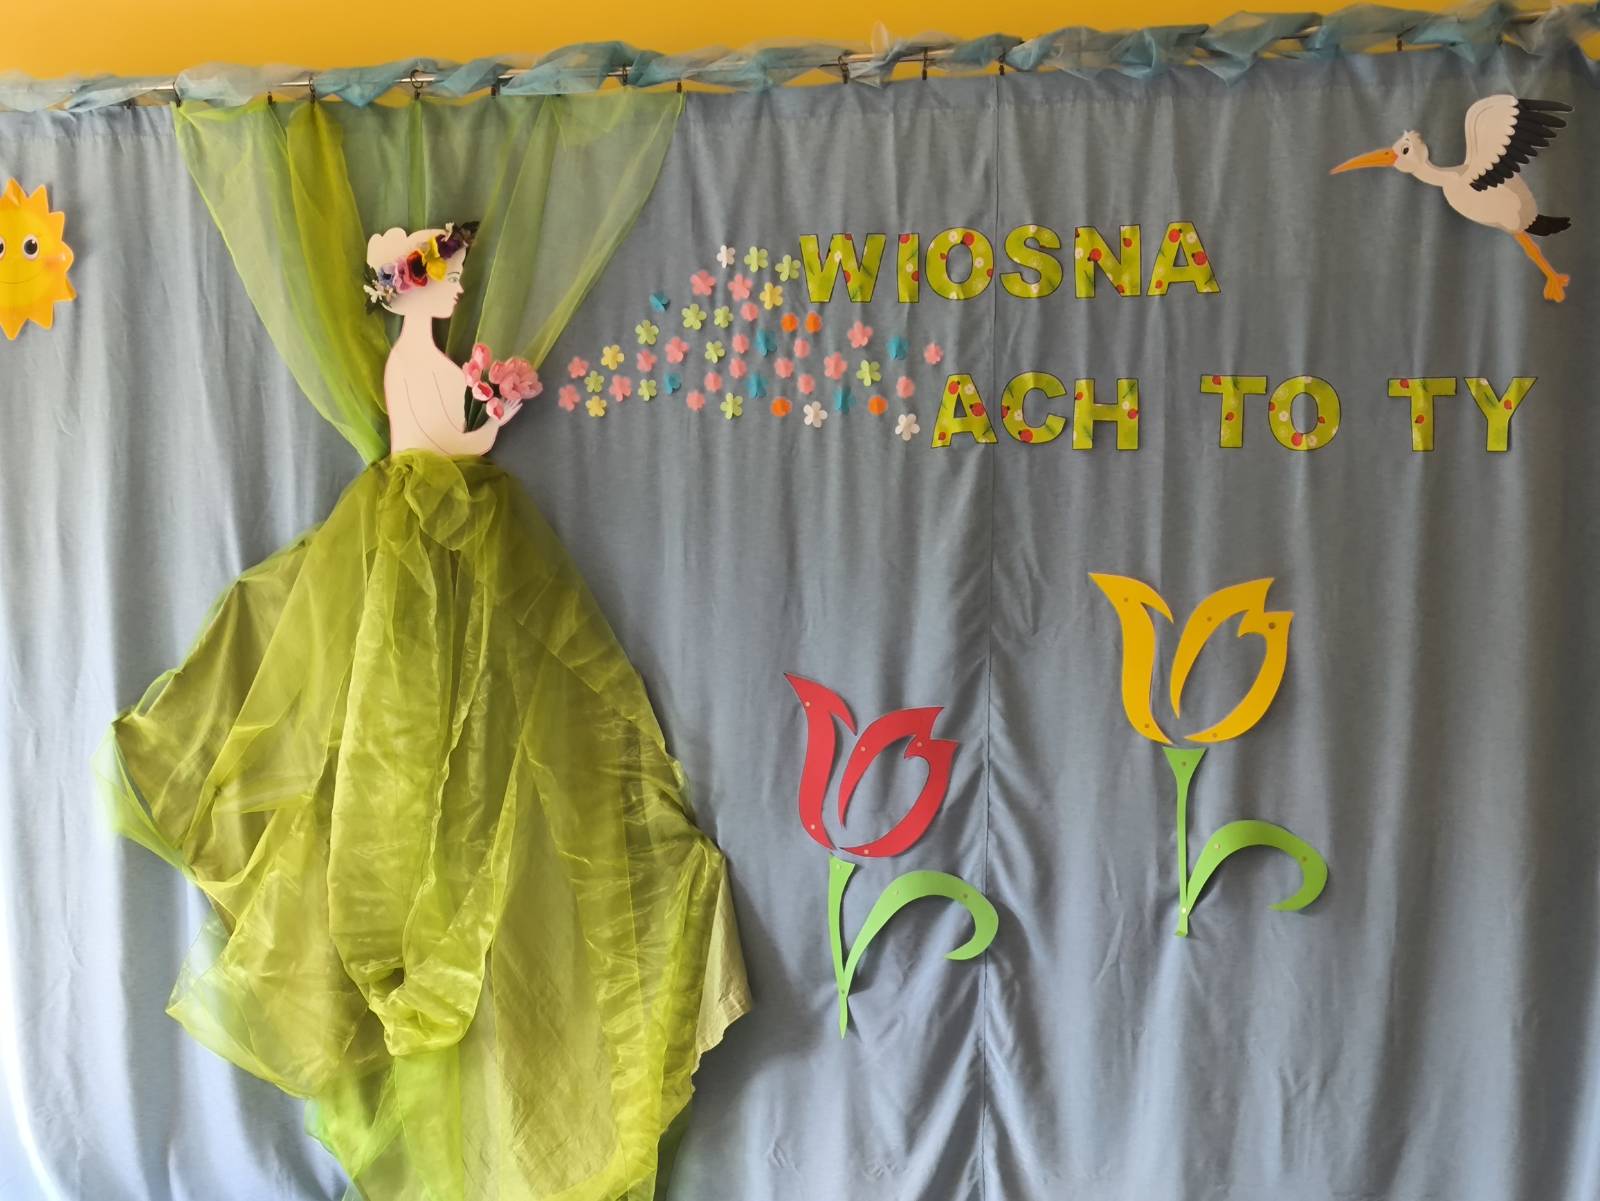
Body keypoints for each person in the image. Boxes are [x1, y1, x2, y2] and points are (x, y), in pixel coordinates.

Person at [101, 223, 749, 1201]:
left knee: (466, 743)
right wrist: (492, 412)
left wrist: (493, 406)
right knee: (409, 738)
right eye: (440, 278)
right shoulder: (414, 363)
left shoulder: (419, 361)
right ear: (409, 290)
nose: (451, 292)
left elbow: (453, 439)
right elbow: (447, 443)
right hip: (428, 546)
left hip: (447, 542)